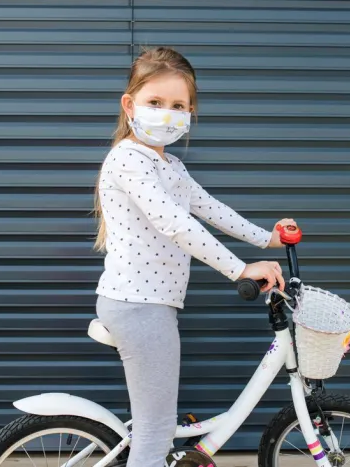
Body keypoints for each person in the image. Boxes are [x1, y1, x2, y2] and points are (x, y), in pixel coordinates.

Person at [92, 46, 295, 467]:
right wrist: (239, 269)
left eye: (178, 105)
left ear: (190, 112)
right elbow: (175, 224)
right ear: (130, 105)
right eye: (155, 103)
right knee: (155, 432)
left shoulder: (172, 168)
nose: (167, 114)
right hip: (137, 306)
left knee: (157, 425)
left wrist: (266, 240)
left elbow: (210, 208)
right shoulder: (128, 160)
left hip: (152, 306)